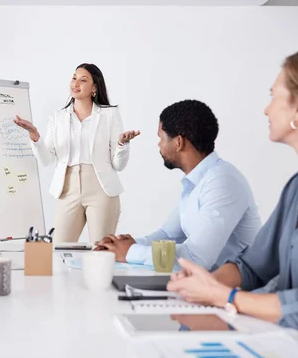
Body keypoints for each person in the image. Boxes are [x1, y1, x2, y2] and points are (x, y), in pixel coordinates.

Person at [167, 49, 298, 348]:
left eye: (274, 96)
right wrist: (202, 285)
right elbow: (253, 266)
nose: (266, 109)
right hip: (292, 346)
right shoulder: (297, 186)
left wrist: (227, 297)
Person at [96, 100, 262, 271]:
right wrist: (123, 245)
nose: (158, 145)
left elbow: (196, 258)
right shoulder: (197, 181)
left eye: (160, 138)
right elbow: (168, 235)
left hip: (238, 291)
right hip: (208, 285)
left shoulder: (222, 182)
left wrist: (130, 252)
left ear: (178, 142)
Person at [14, 63, 140, 243]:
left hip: (101, 189)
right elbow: (47, 159)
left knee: (101, 251)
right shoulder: (57, 118)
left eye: (83, 80)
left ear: (94, 87)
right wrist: (35, 136)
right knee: (59, 248)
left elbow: (118, 165)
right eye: (74, 78)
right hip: (68, 188)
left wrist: (122, 144)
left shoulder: (110, 115)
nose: (76, 83)